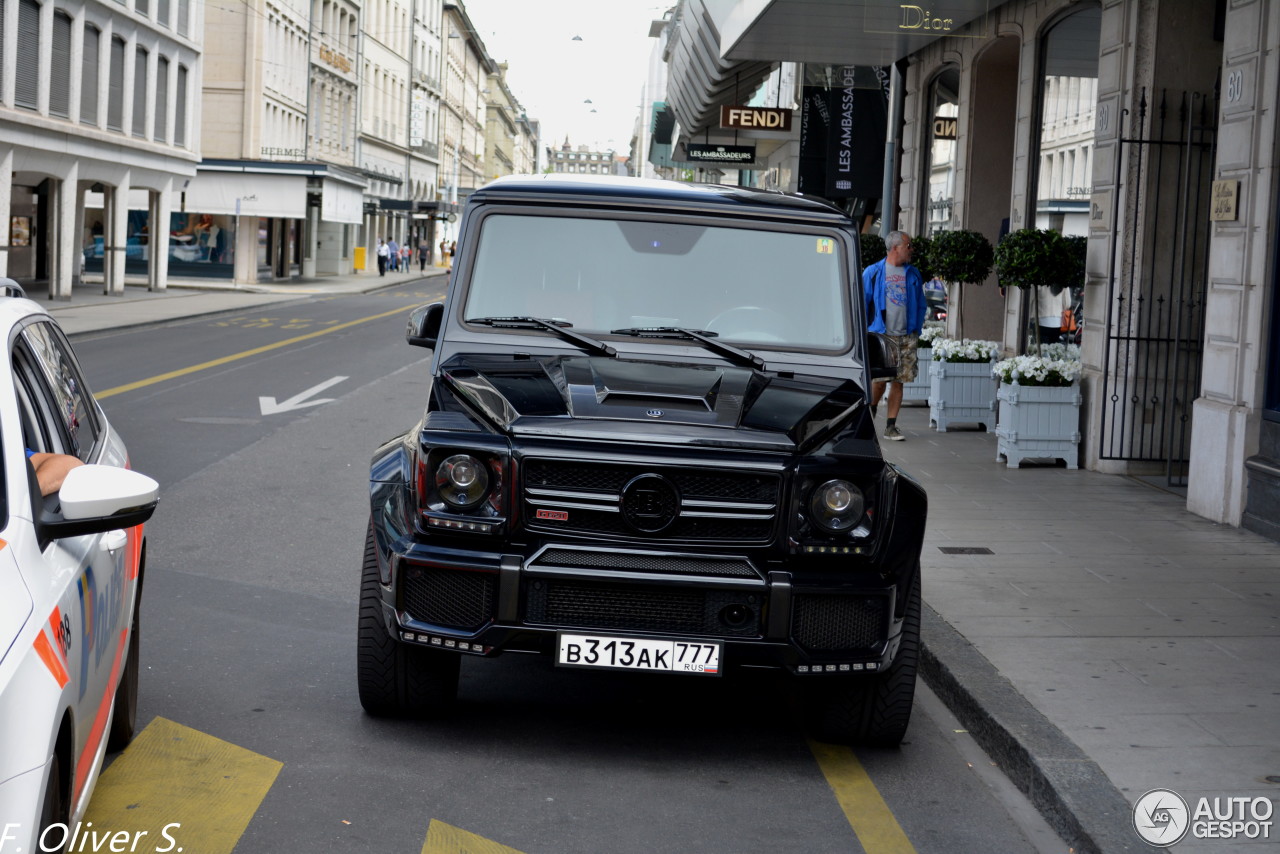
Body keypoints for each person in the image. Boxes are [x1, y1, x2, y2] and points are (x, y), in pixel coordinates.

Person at [862, 230, 926, 442]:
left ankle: (891, 426)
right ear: (896, 247)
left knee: (899, 381)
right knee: (879, 382)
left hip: (906, 335)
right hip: (882, 336)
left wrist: (916, 327)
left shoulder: (913, 273)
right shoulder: (873, 272)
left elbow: (920, 302)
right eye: (908, 246)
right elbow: (862, 304)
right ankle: (868, 420)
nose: (911, 250)